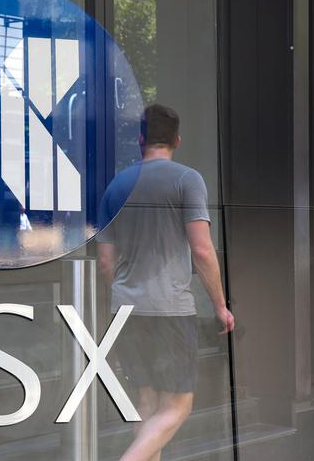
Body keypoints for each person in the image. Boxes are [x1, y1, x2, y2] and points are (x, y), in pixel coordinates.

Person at [97, 103, 235, 461]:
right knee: (178, 406)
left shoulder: (116, 186)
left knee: (147, 402)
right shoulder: (186, 179)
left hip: (126, 310)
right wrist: (220, 305)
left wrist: (125, 294)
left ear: (140, 139)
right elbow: (202, 251)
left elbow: (105, 262)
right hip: (169, 311)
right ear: (177, 139)